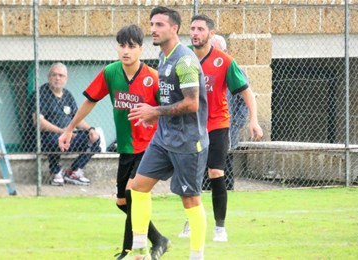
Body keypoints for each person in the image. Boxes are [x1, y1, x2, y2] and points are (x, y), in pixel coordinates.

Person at [57, 25, 169, 260]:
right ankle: (158, 239)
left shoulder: (153, 77)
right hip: (126, 147)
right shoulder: (110, 73)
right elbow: (90, 101)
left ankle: (131, 251)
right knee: (122, 202)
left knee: (132, 194)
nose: (126, 51)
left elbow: (168, 110)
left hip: (151, 146)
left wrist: (155, 115)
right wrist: (69, 129)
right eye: (122, 45)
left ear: (141, 49)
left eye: (131, 46)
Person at [124, 6, 209, 260]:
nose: (153, 29)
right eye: (152, 24)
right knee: (138, 187)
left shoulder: (184, 61)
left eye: (159, 25)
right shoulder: (163, 58)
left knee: (190, 200)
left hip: (187, 142)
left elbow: (192, 103)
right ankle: (139, 250)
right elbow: (169, 99)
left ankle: (197, 256)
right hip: (163, 138)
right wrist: (155, 118)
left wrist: (156, 112)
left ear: (175, 28)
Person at [179, 14, 263, 243]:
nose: (195, 33)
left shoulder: (224, 61)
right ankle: (191, 221)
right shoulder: (181, 56)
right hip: (190, 126)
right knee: (191, 176)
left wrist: (254, 120)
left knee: (216, 173)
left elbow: (246, 91)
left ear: (211, 34)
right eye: (192, 28)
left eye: (200, 29)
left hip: (217, 124)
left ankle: (219, 227)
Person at [30, 62, 101, 186]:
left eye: (61, 75)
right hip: (49, 136)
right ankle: (55, 172)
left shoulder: (68, 95)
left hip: (69, 135)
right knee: (55, 140)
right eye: (54, 75)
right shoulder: (41, 94)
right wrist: (62, 131)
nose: (57, 78)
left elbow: (76, 118)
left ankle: (74, 171)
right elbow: (38, 122)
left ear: (66, 79)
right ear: (49, 77)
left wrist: (90, 129)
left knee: (94, 139)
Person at [212, 34, 249, 190]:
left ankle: (227, 191)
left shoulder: (234, 69)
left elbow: (244, 101)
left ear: (224, 50)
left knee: (225, 162)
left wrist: (236, 122)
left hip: (227, 126)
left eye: (215, 49)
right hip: (207, 126)